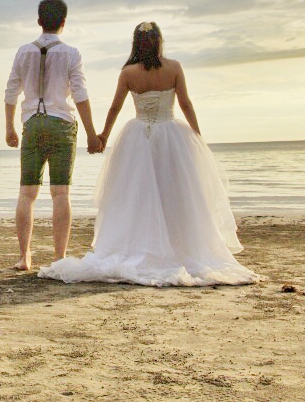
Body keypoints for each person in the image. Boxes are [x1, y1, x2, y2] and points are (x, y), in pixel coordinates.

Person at [38, 22, 258, 286]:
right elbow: (185, 103)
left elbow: (115, 108)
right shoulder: (174, 67)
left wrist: (103, 136)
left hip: (138, 136)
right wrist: (197, 136)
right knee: (175, 193)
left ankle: (144, 243)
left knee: (136, 195)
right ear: (158, 41)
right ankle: (178, 244)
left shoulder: (128, 72)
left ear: (136, 43)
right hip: (171, 135)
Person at [4, 0, 102, 271]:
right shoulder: (71, 53)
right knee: (60, 194)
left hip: (32, 124)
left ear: (39, 21)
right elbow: (80, 95)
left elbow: (11, 92)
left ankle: (25, 257)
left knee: (27, 193)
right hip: (61, 124)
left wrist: (9, 127)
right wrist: (92, 134)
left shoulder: (23, 52)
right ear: (63, 22)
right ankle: (59, 258)